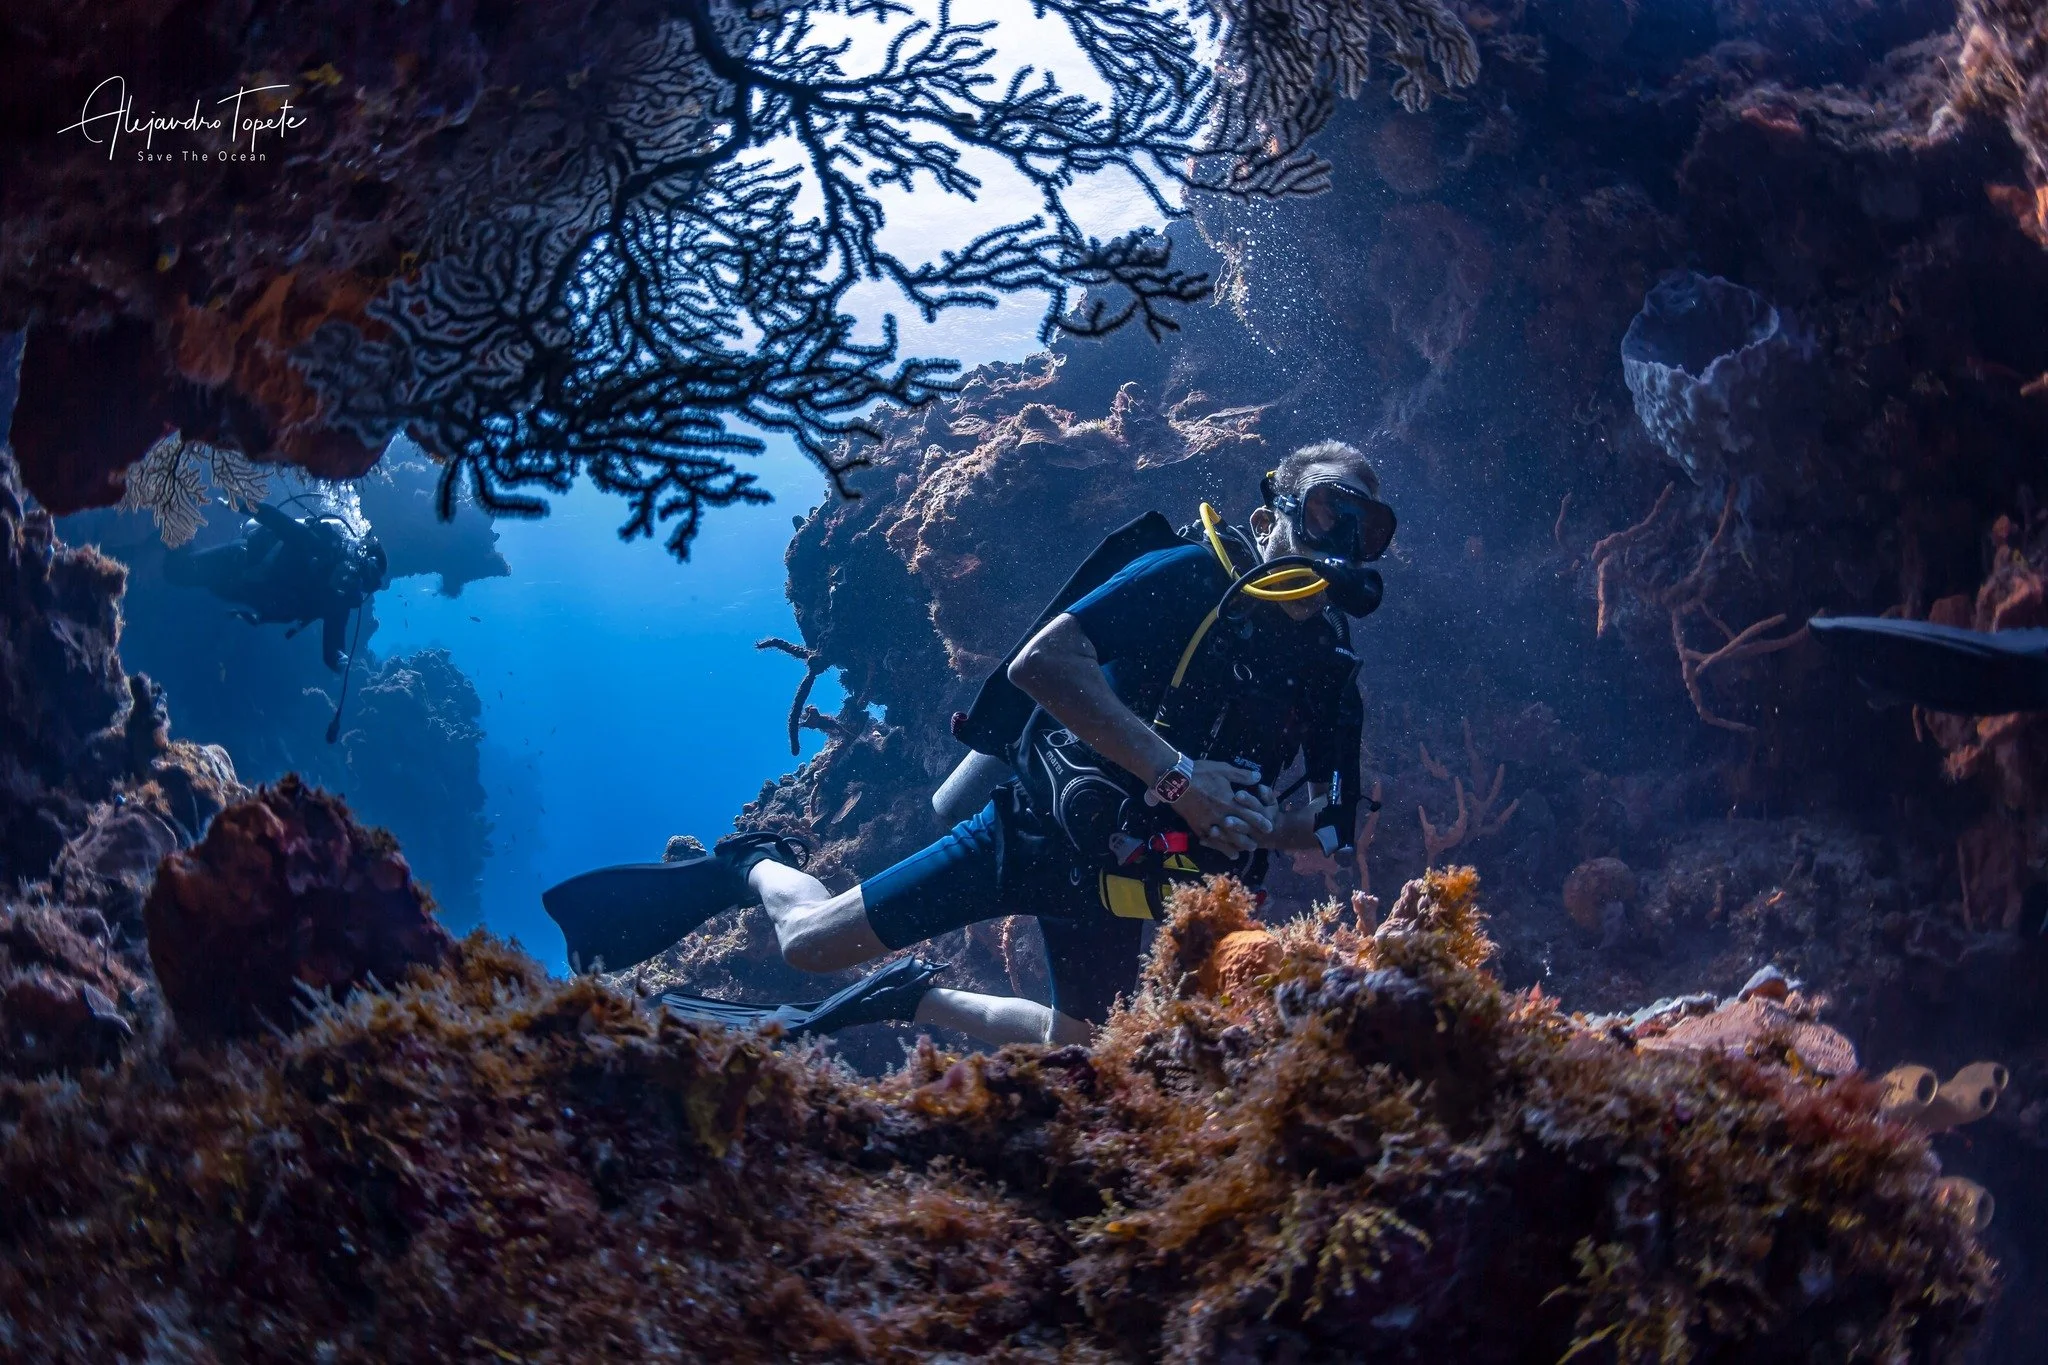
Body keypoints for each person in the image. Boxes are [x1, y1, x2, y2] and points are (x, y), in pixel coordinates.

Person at [545, 439, 1395, 1046]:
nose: (1341, 543)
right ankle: (752, 861)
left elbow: (1331, 819)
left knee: (1079, 1045)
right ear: (1270, 511)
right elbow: (1043, 662)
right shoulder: (1193, 574)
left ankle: (915, 998)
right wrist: (1179, 778)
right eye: (1327, 508)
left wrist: (1261, 823)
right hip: (1033, 831)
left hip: (1125, 883)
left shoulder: (1330, 667)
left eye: (1368, 530)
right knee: (807, 947)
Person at [164, 501, 388, 672]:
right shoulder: (319, 547)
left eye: (361, 584)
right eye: (358, 571)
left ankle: (178, 535)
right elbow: (278, 521)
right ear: (352, 557)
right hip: (241, 561)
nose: (351, 580)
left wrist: (341, 662)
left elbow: (332, 649)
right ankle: (170, 519)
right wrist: (241, 504)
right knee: (177, 573)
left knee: (194, 579)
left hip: (244, 593)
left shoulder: (337, 604)